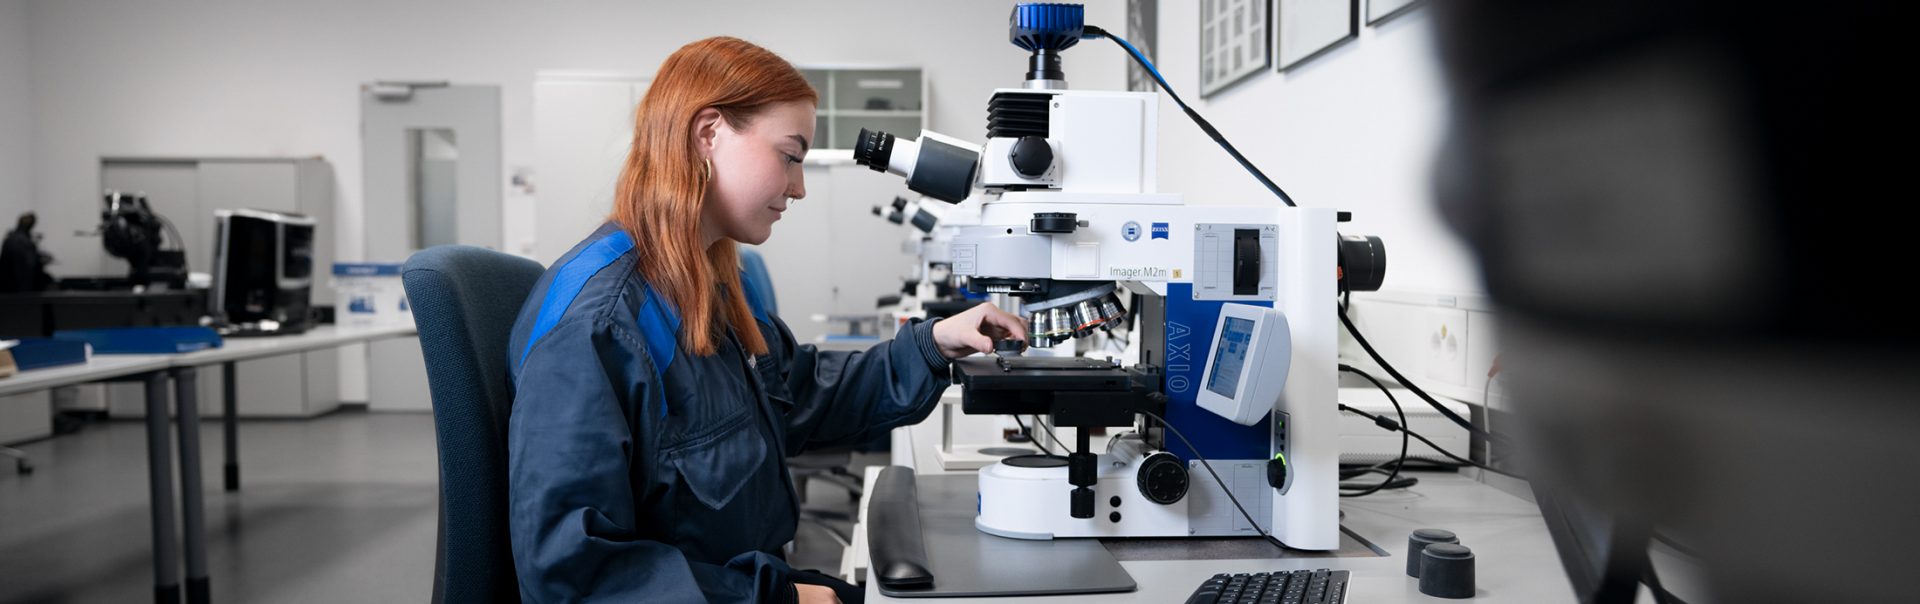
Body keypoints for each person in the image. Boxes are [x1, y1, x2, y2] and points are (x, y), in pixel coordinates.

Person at [506, 37, 1026, 604]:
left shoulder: (706, 284)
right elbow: (573, 576)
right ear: (709, 134)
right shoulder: (597, 326)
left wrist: (933, 344)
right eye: (791, 155)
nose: (799, 187)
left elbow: (799, 393)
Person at [0, 212, 54, 293]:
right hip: (22, 287)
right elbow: (29, 264)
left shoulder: (11, 238)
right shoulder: (23, 241)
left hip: (9, 286)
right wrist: (40, 261)